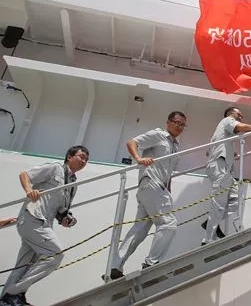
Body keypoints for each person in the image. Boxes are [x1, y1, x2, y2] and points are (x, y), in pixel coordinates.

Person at [0, 145, 89, 306]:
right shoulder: (55, 168)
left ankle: (6, 300)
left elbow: (62, 210)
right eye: (81, 157)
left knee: (23, 265)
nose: (84, 161)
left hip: (44, 224)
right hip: (32, 218)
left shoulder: (73, 185)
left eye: (86, 159)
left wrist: (66, 219)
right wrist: (29, 191)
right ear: (69, 157)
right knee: (55, 254)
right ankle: (14, 292)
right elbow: (25, 175)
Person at [108, 111, 186, 281]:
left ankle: (115, 266)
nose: (179, 127)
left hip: (158, 189)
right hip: (151, 183)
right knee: (168, 224)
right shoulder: (159, 135)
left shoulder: (176, 145)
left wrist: (168, 191)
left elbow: (168, 172)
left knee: (140, 229)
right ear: (168, 122)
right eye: (177, 122)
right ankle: (151, 263)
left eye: (182, 125)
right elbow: (132, 142)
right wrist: (138, 158)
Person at [201, 107, 251, 245]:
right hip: (220, 167)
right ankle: (208, 240)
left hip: (224, 169)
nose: (241, 117)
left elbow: (209, 151)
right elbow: (240, 127)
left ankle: (209, 223)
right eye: (239, 114)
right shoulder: (227, 120)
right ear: (230, 113)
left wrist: (230, 154)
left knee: (235, 200)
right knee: (219, 204)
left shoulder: (223, 133)